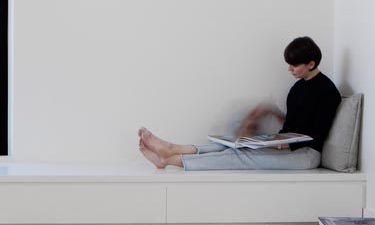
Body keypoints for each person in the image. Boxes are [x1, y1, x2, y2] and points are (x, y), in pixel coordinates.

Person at [138, 36, 341, 171]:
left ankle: (170, 160)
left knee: (239, 157)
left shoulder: (328, 91)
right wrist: (272, 117)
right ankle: (174, 148)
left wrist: (285, 142)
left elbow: (317, 133)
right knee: (232, 144)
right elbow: (296, 123)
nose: (289, 69)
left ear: (311, 64)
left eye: (294, 65)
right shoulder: (297, 87)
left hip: (306, 155)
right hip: (289, 147)